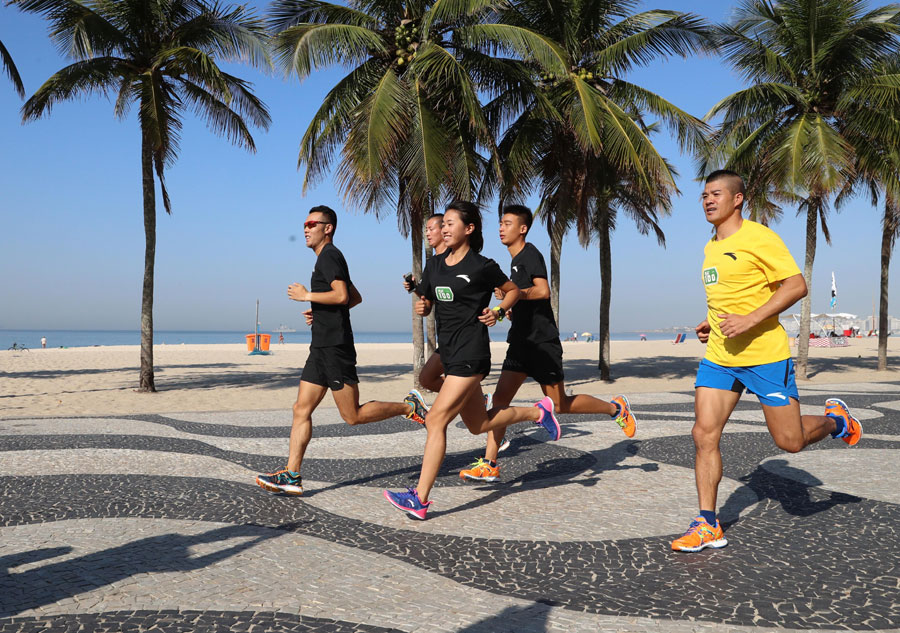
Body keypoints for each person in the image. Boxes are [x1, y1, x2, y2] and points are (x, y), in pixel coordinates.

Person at [671, 170, 862, 553]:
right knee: (703, 434)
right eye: (704, 195)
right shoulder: (711, 246)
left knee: (790, 442)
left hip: (765, 357)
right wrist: (713, 322)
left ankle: (836, 420)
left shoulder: (760, 237)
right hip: (721, 357)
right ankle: (708, 522)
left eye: (716, 194)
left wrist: (750, 319)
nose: (708, 201)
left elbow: (796, 285)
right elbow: (734, 295)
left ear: (737, 199)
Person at [383, 201, 561, 519]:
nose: (445, 228)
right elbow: (425, 297)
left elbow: (511, 291)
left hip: (471, 353)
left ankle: (420, 500)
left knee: (436, 419)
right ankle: (538, 412)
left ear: (469, 229)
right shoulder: (435, 264)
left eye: (451, 223)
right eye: (444, 223)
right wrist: (423, 305)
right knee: (478, 424)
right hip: (448, 351)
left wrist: (498, 311)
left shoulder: (483, 266)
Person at [256, 206, 429, 496]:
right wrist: (319, 309)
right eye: (304, 224)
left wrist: (306, 296)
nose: (306, 229)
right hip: (320, 347)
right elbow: (354, 298)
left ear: (328, 228)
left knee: (352, 416)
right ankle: (292, 475)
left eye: (312, 223)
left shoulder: (330, 256)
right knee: (301, 409)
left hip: (336, 348)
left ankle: (409, 407)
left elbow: (343, 295)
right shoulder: (325, 259)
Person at [458, 205, 637, 483]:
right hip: (520, 342)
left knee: (560, 404)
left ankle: (616, 408)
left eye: (507, 223)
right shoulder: (514, 262)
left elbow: (543, 290)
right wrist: (510, 301)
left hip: (542, 343)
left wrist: (514, 296)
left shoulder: (530, 254)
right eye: (500, 224)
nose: (501, 228)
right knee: (500, 403)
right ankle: (489, 463)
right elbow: (523, 298)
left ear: (523, 228)